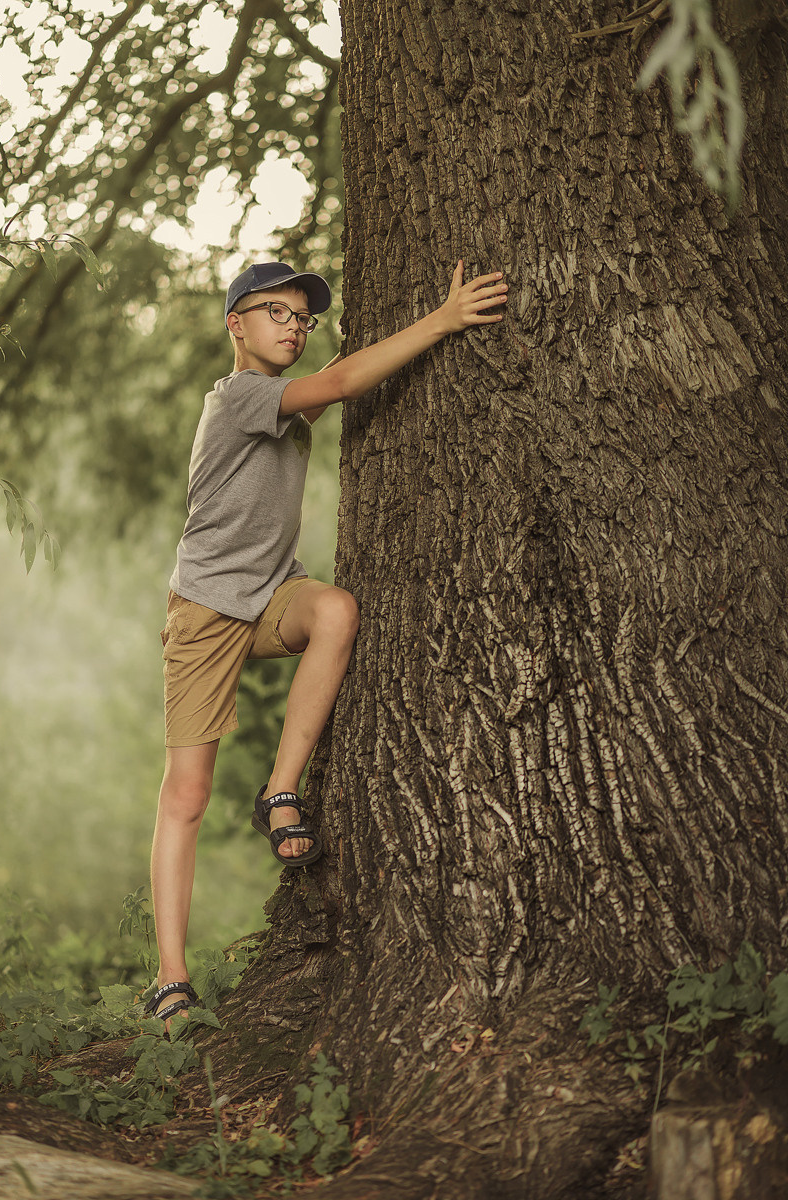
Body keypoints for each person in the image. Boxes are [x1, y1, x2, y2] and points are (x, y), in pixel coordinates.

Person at [146, 258, 508, 1023]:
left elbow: (343, 382)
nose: (294, 326)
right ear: (235, 325)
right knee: (185, 795)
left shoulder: (278, 405)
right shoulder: (242, 396)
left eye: (303, 319)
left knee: (337, 611)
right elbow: (343, 383)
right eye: (276, 312)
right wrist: (442, 321)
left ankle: (282, 792)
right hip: (207, 611)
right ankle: (170, 980)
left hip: (272, 596)